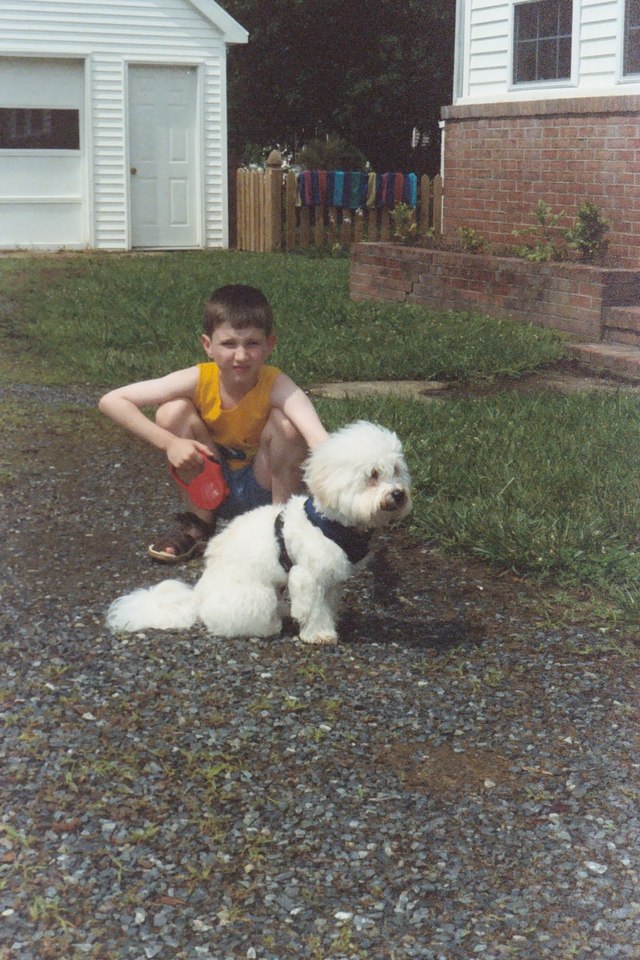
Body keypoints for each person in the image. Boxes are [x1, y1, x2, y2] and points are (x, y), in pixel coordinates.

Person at [99, 283, 328, 563]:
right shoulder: (198, 379)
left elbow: (319, 439)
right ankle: (198, 525)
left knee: (289, 425)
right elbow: (112, 400)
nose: (241, 356)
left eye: (252, 343)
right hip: (211, 482)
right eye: (229, 344)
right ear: (208, 345)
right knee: (171, 412)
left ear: (270, 344)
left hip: (263, 484)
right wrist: (170, 443)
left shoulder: (276, 384)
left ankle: (282, 531)